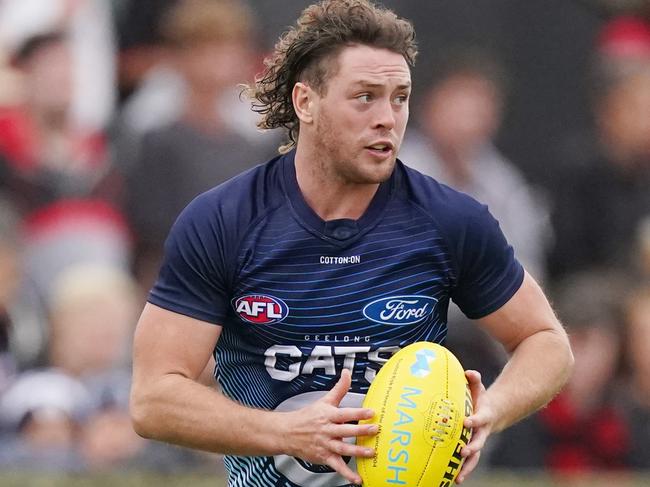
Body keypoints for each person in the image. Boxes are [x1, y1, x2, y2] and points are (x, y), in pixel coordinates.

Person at [129, 1, 573, 486]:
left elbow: (547, 342)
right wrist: (285, 432)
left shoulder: (450, 221)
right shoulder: (224, 221)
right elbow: (153, 399)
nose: (387, 117)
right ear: (306, 102)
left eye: (399, 97)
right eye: (365, 96)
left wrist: (494, 408)